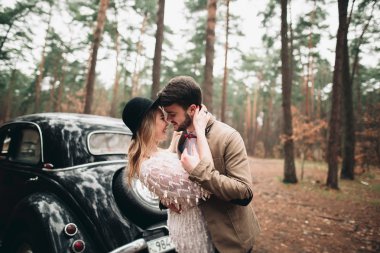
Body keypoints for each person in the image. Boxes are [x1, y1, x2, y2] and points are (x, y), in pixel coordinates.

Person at [157, 76, 261, 253]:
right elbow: (181, 181)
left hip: (229, 242)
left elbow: (245, 193)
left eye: (172, 114)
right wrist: (166, 199)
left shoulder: (228, 137)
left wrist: (199, 172)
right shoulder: (180, 138)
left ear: (192, 109)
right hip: (195, 241)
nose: (168, 119)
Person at [122, 97, 215, 253]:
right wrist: (200, 129)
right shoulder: (150, 167)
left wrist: (173, 143)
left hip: (198, 227)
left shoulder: (154, 153)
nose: (167, 122)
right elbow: (206, 186)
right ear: (148, 124)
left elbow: (168, 162)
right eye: (161, 118)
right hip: (194, 238)